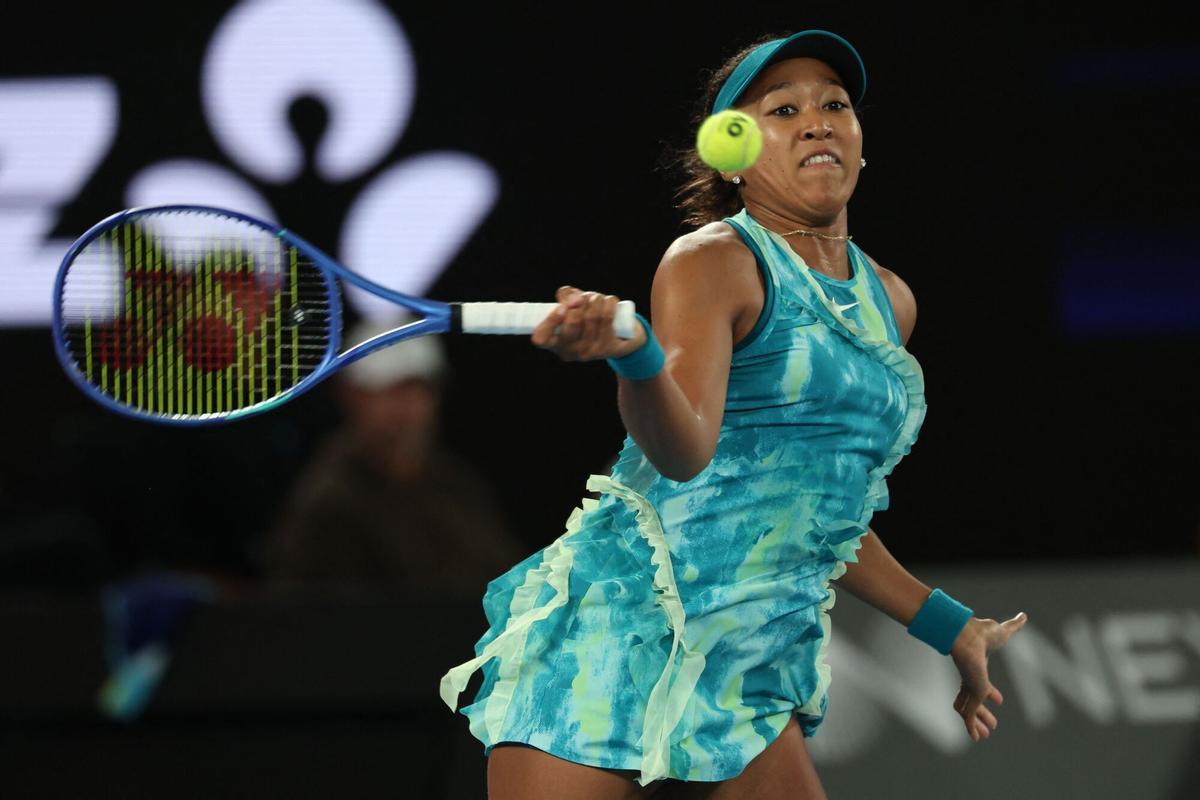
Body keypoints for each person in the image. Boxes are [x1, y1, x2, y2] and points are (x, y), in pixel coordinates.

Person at [440, 30, 1027, 799]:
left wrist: (949, 624)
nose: (817, 120)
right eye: (782, 109)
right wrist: (639, 357)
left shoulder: (890, 302)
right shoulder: (714, 261)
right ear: (735, 155)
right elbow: (685, 451)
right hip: (619, 628)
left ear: (859, 139)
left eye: (834, 105)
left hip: (748, 657)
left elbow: (816, 510)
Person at [264, 316, 524, 596]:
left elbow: (506, 581)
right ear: (351, 395)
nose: (408, 410)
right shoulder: (327, 502)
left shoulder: (457, 484)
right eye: (391, 391)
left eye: (419, 389)